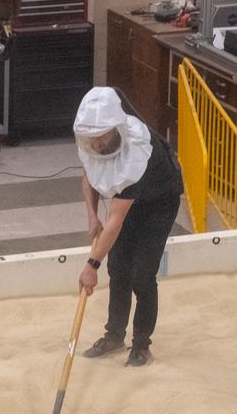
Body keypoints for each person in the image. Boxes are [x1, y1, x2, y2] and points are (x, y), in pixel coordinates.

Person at [73, 87, 183, 367]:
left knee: (142, 274)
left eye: (101, 139)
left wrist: (90, 266)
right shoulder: (93, 144)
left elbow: (116, 221)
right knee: (118, 267)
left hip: (159, 201)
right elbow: (89, 176)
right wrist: (91, 214)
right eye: (92, 140)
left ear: (115, 130)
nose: (96, 145)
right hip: (128, 202)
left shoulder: (137, 152)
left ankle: (142, 345)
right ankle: (114, 336)